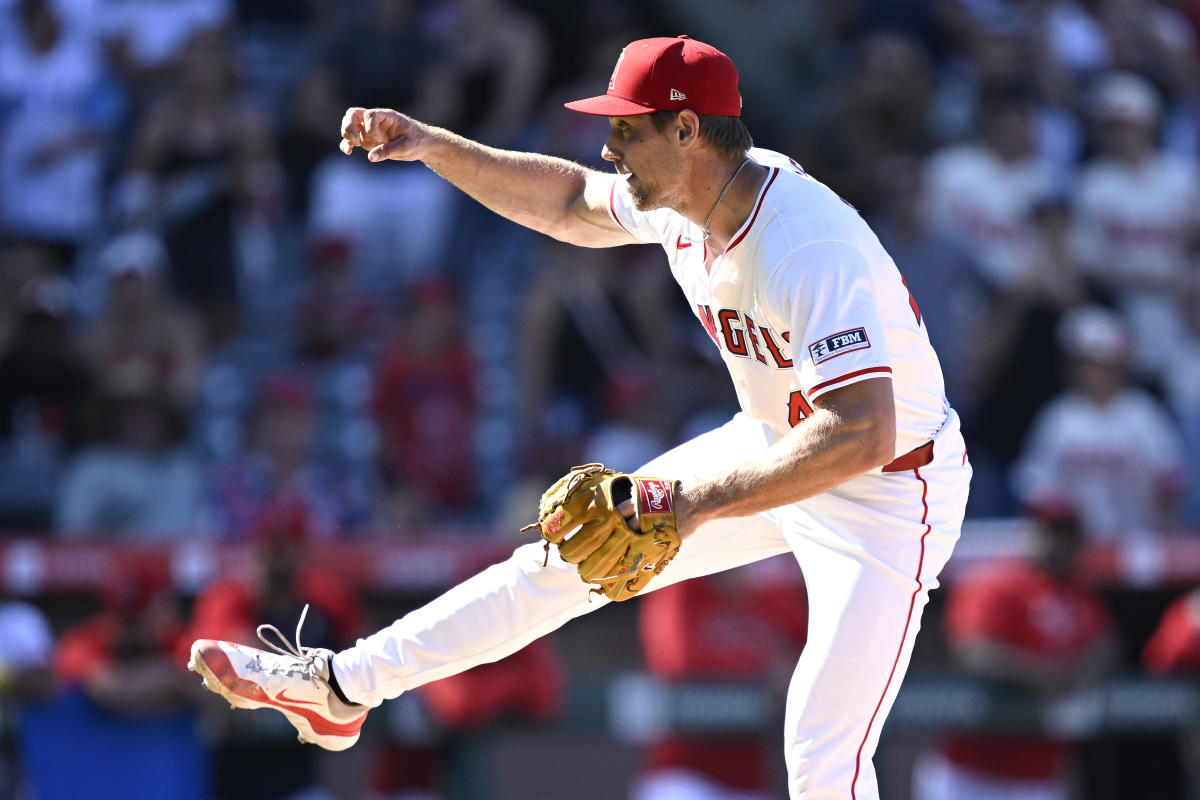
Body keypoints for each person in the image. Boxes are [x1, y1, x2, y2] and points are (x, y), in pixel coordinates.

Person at [191, 36, 972, 799]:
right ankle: (339, 687)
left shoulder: (804, 240)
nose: (608, 147)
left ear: (688, 130)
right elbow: (567, 201)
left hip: (890, 489)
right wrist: (433, 146)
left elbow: (863, 430)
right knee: (562, 563)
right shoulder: (683, 200)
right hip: (779, 442)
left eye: (627, 128)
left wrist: (689, 505)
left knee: (820, 745)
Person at [911, 499, 1117, 800]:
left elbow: (1107, 645)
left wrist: (1084, 672)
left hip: (1038, 775)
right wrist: (1041, 676)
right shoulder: (997, 582)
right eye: (1049, 532)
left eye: (1066, 534)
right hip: (971, 772)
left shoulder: (1081, 593)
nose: (1058, 543)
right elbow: (971, 652)